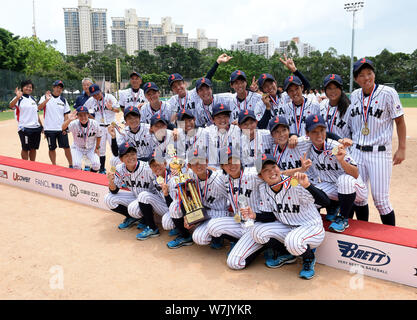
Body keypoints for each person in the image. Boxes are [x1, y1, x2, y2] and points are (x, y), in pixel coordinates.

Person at [244, 154, 330, 280]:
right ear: (260, 176)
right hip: (287, 227)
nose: (272, 172)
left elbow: (326, 202)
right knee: (256, 232)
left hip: (310, 226)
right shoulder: (264, 188)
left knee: (293, 241)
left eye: (274, 167)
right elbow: (269, 216)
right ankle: (288, 254)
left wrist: (308, 185)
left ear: (279, 168)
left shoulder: (294, 182)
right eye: (266, 170)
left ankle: (308, 258)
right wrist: (254, 215)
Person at [347, 58, 407, 226]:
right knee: (359, 197)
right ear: (356, 79)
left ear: (374, 74)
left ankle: (392, 239)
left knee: (381, 200)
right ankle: (362, 235)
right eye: (362, 75)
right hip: (357, 152)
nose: (367, 78)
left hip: (379, 153)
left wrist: (402, 148)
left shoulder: (388, 93)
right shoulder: (354, 95)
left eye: (369, 73)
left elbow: (400, 122)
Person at [304, 114, 368, 232]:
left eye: (322, 130)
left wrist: (341, 161)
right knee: (309, 193)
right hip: (333, 188)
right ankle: (322, 215)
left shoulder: (335, 147)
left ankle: (343, 218)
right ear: (307, 134)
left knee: (344, 180)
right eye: (314, 131)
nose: (319, 135)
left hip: (356, 189)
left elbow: (355, 173)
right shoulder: (307, 147)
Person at [207, 147, 265, 270]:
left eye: (234, 161)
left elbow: (276, 174)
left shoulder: (252, 174)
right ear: (222, 166)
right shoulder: (224, 178)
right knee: (212, 227)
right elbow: (207, 170)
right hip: (239, 221)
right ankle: (240, 242)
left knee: (234, 263)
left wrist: (301, 170)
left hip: (255, 224)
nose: (231, 165)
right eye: (227, 163)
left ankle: (262, 248)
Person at [168, 53, 233, 123]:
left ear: (185, 84)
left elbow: (207, 79)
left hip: (197, 126)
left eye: (179, 84)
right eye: (174, 86)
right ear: (172, 90)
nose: (178, 87)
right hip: (182, 128)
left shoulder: (194, 93)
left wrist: (217, 63)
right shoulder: (172, 101)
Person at [104, 142, 155, 232]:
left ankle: (148, 223)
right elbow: (114, 191)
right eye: (127, 155)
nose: (131, 157)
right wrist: (111, 182)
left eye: (133, 154)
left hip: (150, 199)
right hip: (136, 196)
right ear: (121, 159)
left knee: (134, 208)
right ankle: (133, 218)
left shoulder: (147, 168)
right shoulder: (119, 168)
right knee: (108, 199)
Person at [256, 55, 311, 128]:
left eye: (271, 83)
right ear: (262, 90)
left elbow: (306, 87)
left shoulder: (286, 96)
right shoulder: (259, 104)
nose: (270, 87)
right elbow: (261, 126)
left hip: (287, 135)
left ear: (275, 83)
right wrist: (268, 108)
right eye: (265, 86)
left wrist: (295, 71)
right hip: (270, 137)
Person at [136, 152, 178, 240]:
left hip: (175, 208)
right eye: (153, 165)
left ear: (165, 163)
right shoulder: (153, 173)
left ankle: (179, 227)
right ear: (150, 167)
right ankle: (152, 228)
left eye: (159, 163)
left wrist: (166, 194)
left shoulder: (173, 179)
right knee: (143, 196)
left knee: (167, 223)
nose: (157, 167)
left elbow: (174, 205)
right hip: (163, 205)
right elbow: (139, 164)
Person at [84, 83, 120, 174]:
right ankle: (102, 169)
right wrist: (92, 118)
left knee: (115, 148)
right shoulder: (91, 100)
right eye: (93, 95)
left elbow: (118, 110)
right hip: (99, 127)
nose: (96, 96)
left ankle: (118, 170)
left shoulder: (109, 97)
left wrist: (111, 108)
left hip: (111, 126)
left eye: (97, 93)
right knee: (101, 149)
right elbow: (84, 109)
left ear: (100, 91)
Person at [38, 80, 73, 168]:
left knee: (66, 147)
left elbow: (66, 114)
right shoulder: (45, 97)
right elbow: (39, 108)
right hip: (49, 129)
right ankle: (54, 165)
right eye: (57, 87)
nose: (58, 89)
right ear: (53, 87)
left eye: (60, 88)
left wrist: (66, 127)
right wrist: (46, 100)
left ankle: (71, 165)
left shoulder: (63, 100)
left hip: (61, 128)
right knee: (52, 148)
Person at [9, 80, 43, 161]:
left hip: (35, 127)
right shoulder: (19, 98)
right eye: (26, 86)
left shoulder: (32, 98)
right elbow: (11, 105)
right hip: (25, 128)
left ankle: (32, 165)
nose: (28, 88)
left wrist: (41, 125)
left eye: (30, 87)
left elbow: (36, 113)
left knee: (33, 148)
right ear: (22, 87)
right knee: (25, 148)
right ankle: (25, 166)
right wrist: (17, 97)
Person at [282, 75, 321, 145]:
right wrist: (291, 135)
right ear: (287, 93)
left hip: (310, 146)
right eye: (291, 90)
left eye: (297, 89)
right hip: (293, 148)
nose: (294, 93)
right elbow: (283, 130)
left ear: (302, 88)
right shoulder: (285, 109)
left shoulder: (315, 105)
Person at [204, 103, 244, 169]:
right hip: (214, 170)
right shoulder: (207, 132)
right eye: (219, 117)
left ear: (229, 117)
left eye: (225, 116)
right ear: (213, 119)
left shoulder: (238, 130)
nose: (222, 120)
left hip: (234, 169)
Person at [62, 106, 101, 172]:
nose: (83, 117)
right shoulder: (74, 123)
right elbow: (63, 128)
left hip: (91, 148)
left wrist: (97, 147)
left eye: (85, 115)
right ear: (77, 116)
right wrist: (69, 120)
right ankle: (81, 177)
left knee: (96, 165)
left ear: (88, 115)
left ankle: (90, 175)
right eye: (80, 115)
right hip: (77, 148)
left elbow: (99, 136)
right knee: (76, 165)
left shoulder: (95, 123)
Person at [319, 74, 352, 139]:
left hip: (342, 147)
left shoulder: (349, 108)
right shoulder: (322, 105)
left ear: (341, 89)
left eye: (336, 87)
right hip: (324, 147)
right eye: (329, 88)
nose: (333, 91)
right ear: (325, 90)